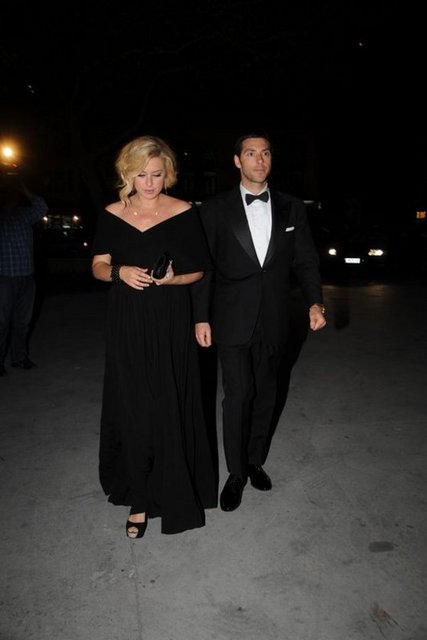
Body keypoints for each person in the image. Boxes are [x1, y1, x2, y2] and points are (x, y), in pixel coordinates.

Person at [191, 132, 326, 512]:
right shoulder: (215, 209)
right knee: (238, 395)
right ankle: (235, 472)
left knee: (267, 393)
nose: (259, 160)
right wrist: (200, 317)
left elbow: (306, 260)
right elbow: (204, 269)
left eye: (265, 153)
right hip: (231, 318)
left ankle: (254, 461)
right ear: (237, 161)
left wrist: (315, 302)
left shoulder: (291, 207)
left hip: (276, 318)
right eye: (251, 153)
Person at [91, 135, 217, 538]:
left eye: (157, 175)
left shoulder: (183, 212)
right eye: (141, 175)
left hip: (170, 318)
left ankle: (173, 488)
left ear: (168, 175)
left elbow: (199, 270)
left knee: (168, 403)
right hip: (126, 320)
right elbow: (97, 265)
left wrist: (171, 279)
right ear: (128, 174)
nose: (149, 183)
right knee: (134, 407)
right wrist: (119, 272)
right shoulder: (112, 213)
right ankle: (140, 499)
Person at [0, 176, 48, 377]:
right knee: (2, 322)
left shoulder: (24, 215)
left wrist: (24, 189)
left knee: (23, 321)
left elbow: (42, 207)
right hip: (4, 277)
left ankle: (19, 357)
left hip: (27, 277)